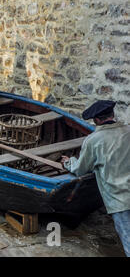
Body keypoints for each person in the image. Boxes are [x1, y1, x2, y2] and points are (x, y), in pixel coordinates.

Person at [61, 100, 129, 256]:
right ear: (113, 114)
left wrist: (68, 162)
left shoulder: (93, 140)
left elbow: (80, 169)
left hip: (119, 199)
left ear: (96, 120)